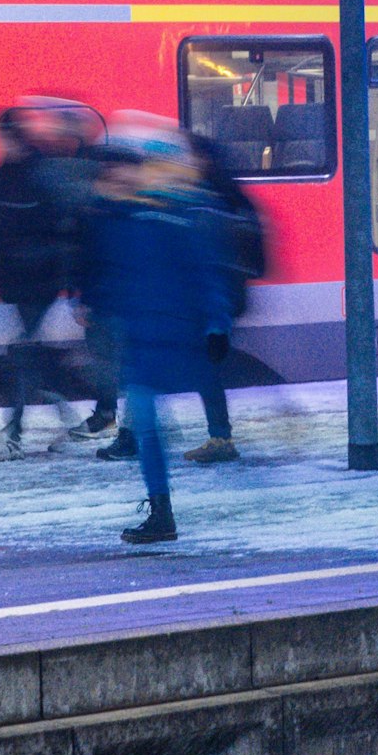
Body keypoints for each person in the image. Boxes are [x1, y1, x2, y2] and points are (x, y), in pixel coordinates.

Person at [86, 113, 237, 544]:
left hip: (167, 336)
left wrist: (216, 323)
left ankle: (162, 509)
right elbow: (119, 275)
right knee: (149, 427)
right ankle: (161, 510)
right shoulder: (141, 217)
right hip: (149, 338)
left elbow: (205, 278)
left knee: (151, 427)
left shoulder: (176, 218)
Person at [0, 101, 89, 460]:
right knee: (30, 351)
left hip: (38, 280)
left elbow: (58, 229)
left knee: (22, 353)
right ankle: (68, 418)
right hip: (20, 281)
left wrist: (66, 280)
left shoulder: (28, 178)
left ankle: (14, 434)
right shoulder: (3, 179)